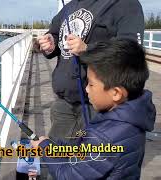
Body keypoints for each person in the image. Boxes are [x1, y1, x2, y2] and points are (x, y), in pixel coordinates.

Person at [31, 39, 156, 179]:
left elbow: (67, 176)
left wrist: (44, 148)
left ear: (116, 93)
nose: (86, 89)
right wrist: (52, 145)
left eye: (91, 84)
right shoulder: (135, 116)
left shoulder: (103, 137)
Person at [37, 0, 145, 139]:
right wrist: (50, 44)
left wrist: (88, 49)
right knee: (56, 156)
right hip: (63, 104)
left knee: (93, 158)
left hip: (100, 107)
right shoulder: (69, 7)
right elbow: (55, 34)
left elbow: (132, 50)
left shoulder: (126, 4)